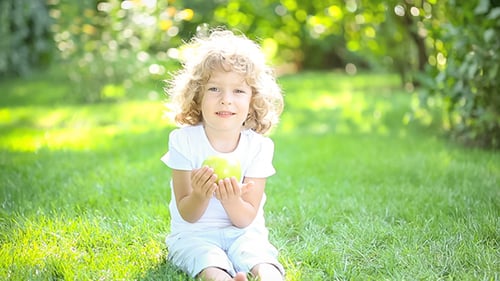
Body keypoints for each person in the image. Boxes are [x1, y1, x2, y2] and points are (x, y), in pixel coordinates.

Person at [160, 28, 285, 281]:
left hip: (243, 233)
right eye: (215, 89)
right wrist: (200, 194)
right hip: (194, 235)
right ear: (197, 96)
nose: (226, 100)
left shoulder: (259, 147)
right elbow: (188, 214)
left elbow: (245, 218)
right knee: (206, 260)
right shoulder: (183, 141)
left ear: (253, 99)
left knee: (259, 255)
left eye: (238, 91)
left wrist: (230, 200)